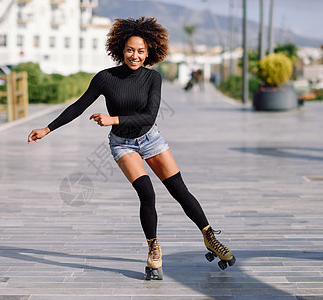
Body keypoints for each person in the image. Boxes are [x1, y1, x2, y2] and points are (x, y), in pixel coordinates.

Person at [27, 17, 235, 280]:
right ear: (120, 49)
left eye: (140, 51)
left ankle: (209, 237)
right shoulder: (105, 78)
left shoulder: (152, 78)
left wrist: (112, 119)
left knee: (179, 190)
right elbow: (79, 106)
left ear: (149, 52)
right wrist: (47, 128)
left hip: (151, 139)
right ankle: (153, 248)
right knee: (146, 193)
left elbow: (149, 117)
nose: (135, 55)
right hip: (123, 145)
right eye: (130, 50)